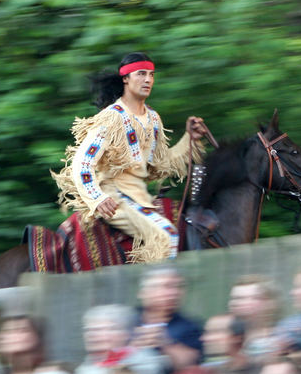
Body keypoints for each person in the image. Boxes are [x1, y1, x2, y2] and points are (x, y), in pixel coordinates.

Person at [52, 51, 207, 263]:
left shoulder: (153, 118)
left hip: (140, 196)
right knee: (165, 236)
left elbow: (159, 166)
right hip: (115, 195)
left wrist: (190, 139)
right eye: (141, 74)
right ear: (125, 78)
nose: (148, 80)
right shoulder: (112, 117)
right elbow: (83, 162)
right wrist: (97, 198)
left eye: (151, 75)